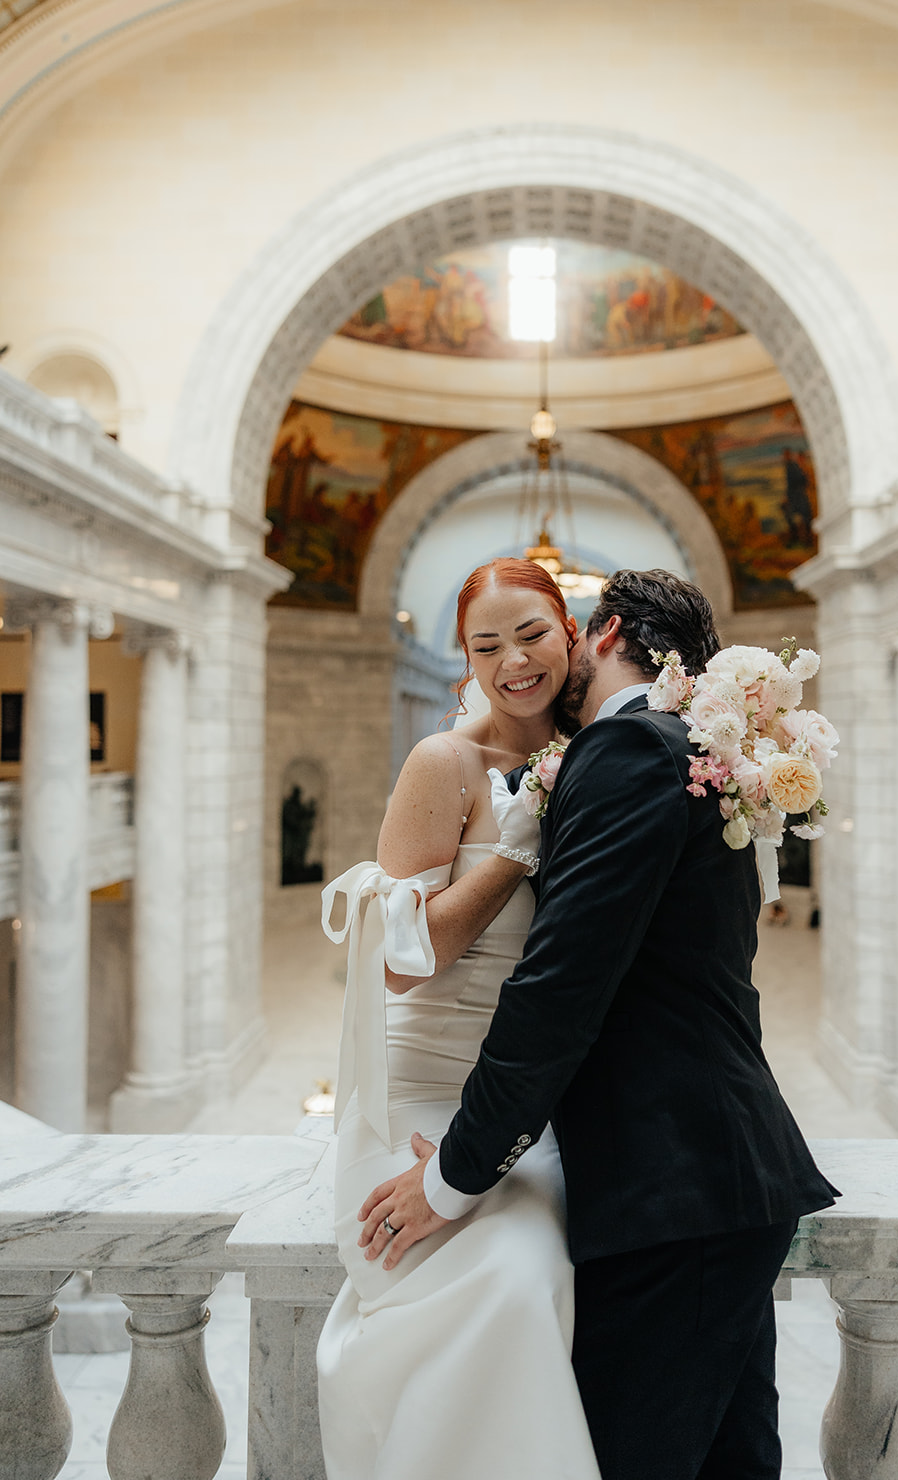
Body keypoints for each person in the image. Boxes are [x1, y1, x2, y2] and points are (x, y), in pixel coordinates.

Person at [359, 568, 840, 1480]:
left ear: (599, 632)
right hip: (715, 1181)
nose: (535, 659)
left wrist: (456, 1175)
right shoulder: (687, 755)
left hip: (676, 1188)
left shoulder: (626, 754)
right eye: (486, 647)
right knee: (733, 1464)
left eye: (551, 634)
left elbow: (557, 992)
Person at [315, 557, 601, 1480]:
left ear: (569, 630)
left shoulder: (604, 749)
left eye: (531, 635)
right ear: (464, 660)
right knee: (508, 1288)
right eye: (487, 646)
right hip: (425, 1092)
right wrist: (514, 853)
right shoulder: (445, 762)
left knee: (547, 1273)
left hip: (527, 1101)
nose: (514, 662)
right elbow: (405, 964)